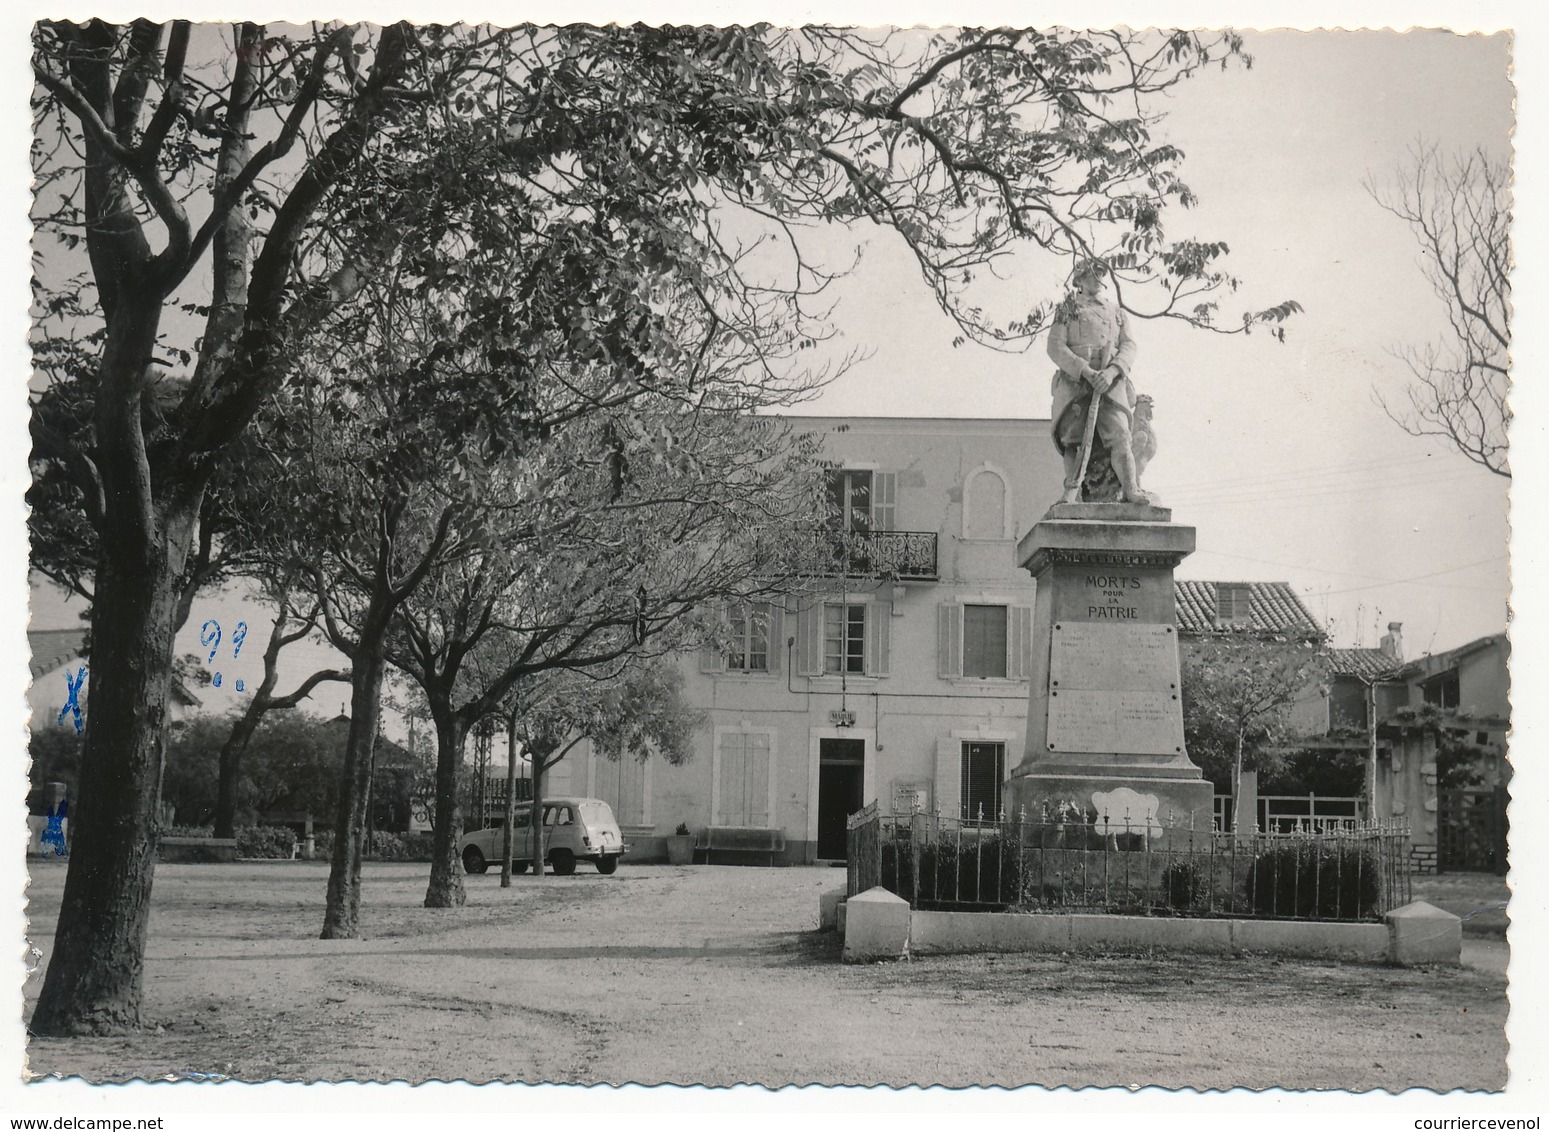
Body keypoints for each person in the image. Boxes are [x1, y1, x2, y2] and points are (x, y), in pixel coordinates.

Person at [1046, 261, 1157, 505]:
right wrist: (1084, 371)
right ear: (1079, 280)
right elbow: (1055, 345)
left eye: (1101, 274)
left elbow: (1129, 345)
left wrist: (1112, 371)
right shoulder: (1067, 309)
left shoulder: (1116, 312)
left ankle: (1130, 488)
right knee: (1072, 439)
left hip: (1110, 382)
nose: (1097, 278)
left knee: (1120, 434)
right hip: (1076, 382)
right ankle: (1072, 492)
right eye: (1090, 274)